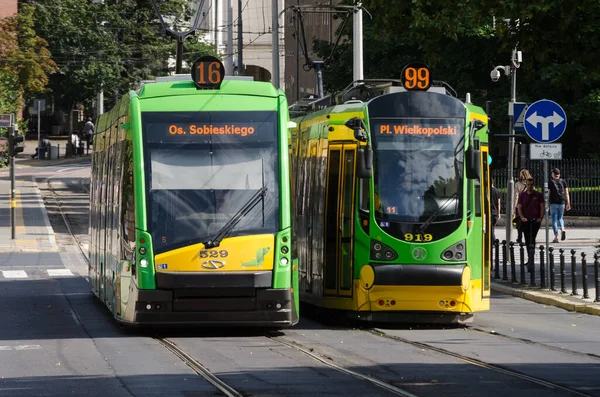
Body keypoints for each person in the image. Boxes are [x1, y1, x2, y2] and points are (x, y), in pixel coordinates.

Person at [517, 177, 545, 271]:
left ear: (533, 185)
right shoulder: (522, 195)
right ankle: (530, 257)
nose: (529, 186)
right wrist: (522, 217)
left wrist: (540, 218)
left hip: (535, 221)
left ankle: (531, 258)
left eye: (531, 185)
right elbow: (519, 207)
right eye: (528, 185)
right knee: (527, 239)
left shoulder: (538, 195)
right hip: (525, 221)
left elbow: (542, 207)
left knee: (532, 238)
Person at [548, 167, 571, 243]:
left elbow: (548, 193)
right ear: (559, 174)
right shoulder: (563, 181)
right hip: (562, 202)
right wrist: (568, 203)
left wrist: (547, 202)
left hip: (553, 203)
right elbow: (566, 193)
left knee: (554, 220)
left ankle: (556, 237)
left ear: (553, 174)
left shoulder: (550, 182)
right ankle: (563, 228)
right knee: (560, 218)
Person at [514, 168, 532, 243]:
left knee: (519, 222)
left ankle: (519, 237)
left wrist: (515, 206)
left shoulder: (517, 184)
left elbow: (516, 196)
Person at [490, 178, 500, 243]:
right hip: (495, 212)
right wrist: (498, 213)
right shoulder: (497, 191)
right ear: (493, 182)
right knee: (492, 227)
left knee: (491, 228)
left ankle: (494, 241)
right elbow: (498, 203)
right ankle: (493, 241)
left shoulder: (487, 190)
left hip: (489, 212)